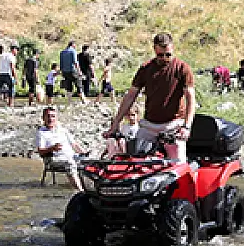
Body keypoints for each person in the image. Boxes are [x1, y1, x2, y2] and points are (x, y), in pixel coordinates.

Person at [106, 33, 196, 162]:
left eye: (168, 55)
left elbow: (190, 98)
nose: (164, 58)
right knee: (136, 160)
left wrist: (187, 126)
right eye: (160, 55)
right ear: (154, 49)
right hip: (149, 125)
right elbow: (130, 96)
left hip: (173, 125)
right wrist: (115, 124)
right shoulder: (146, 69)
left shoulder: (182, 68)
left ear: (173, 49)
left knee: (178, 163)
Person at [35, 107, 87, 191]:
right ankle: (80, 191)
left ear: (56, 118)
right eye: (48, 116)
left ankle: (94, 189)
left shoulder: (63, 130)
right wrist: (52, 148)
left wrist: (84, 153)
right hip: (53, 159)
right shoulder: (41, 133)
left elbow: (74, 145)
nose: (50, 119)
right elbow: (41, 152)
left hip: (71, 156)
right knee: (70, 163)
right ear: (43, 118)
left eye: (53, 116)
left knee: (91, 161)